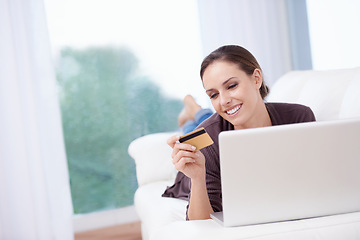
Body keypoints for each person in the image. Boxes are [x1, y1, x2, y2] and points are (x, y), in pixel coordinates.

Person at [162, 45, 316, 221]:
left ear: (256, 79)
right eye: (213, 95)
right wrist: (197, 178)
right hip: (196, 164)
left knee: (217, 116)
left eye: (232, 86)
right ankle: (192, 114)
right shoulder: (207, 138)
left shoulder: (299, 117)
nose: (224, 100)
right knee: (193, 130)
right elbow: (200, 225)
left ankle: (195, 111)